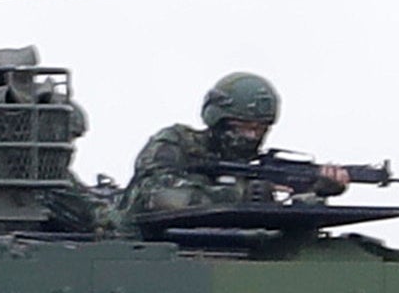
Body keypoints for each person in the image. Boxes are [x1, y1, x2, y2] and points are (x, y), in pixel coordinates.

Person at [121, 70, 292, 222]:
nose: (252, 136)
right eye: (245, 127)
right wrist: (241, 194)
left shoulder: (257, 168)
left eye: (261, 129)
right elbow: (155, 195)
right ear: (218, 120)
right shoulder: (177, 143)